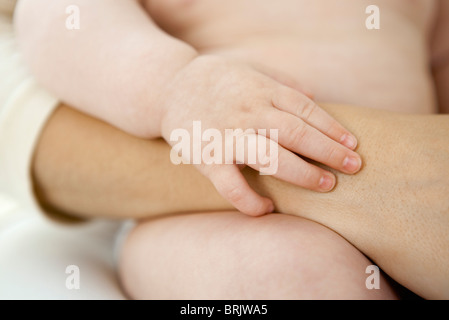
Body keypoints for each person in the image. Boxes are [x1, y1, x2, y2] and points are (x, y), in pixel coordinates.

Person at [1, 0, 447, 299]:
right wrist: (174, 84)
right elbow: (62, 15)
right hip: (218, 216)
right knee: (285, 273)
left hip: (415, 209)